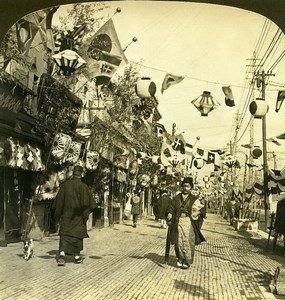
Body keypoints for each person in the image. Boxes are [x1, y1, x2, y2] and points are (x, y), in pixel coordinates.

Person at [52, 165, 95, 266]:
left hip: (66, 216)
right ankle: (76, 256)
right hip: (78, 217)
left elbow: (58, 203)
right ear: (81, 174)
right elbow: (89, 204)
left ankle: (62, 255)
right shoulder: (84, 187)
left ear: (73, 173)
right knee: (77, 236)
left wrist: (57, 216)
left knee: (65, 235)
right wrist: (85, 217)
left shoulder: (65, 186)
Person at [166, 177, 206, 269]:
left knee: (188, 241)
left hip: (189, 222)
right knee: (178, 241)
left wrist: (197, 213)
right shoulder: (176, 198)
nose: (185, 188)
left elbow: (201, 210)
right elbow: (171, 207)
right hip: (178, 221)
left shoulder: (194, 199)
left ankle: (187, 261)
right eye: (184, 186)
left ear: (191, 188)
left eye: (187, 186)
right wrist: (169, 213)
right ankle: (180, 258)